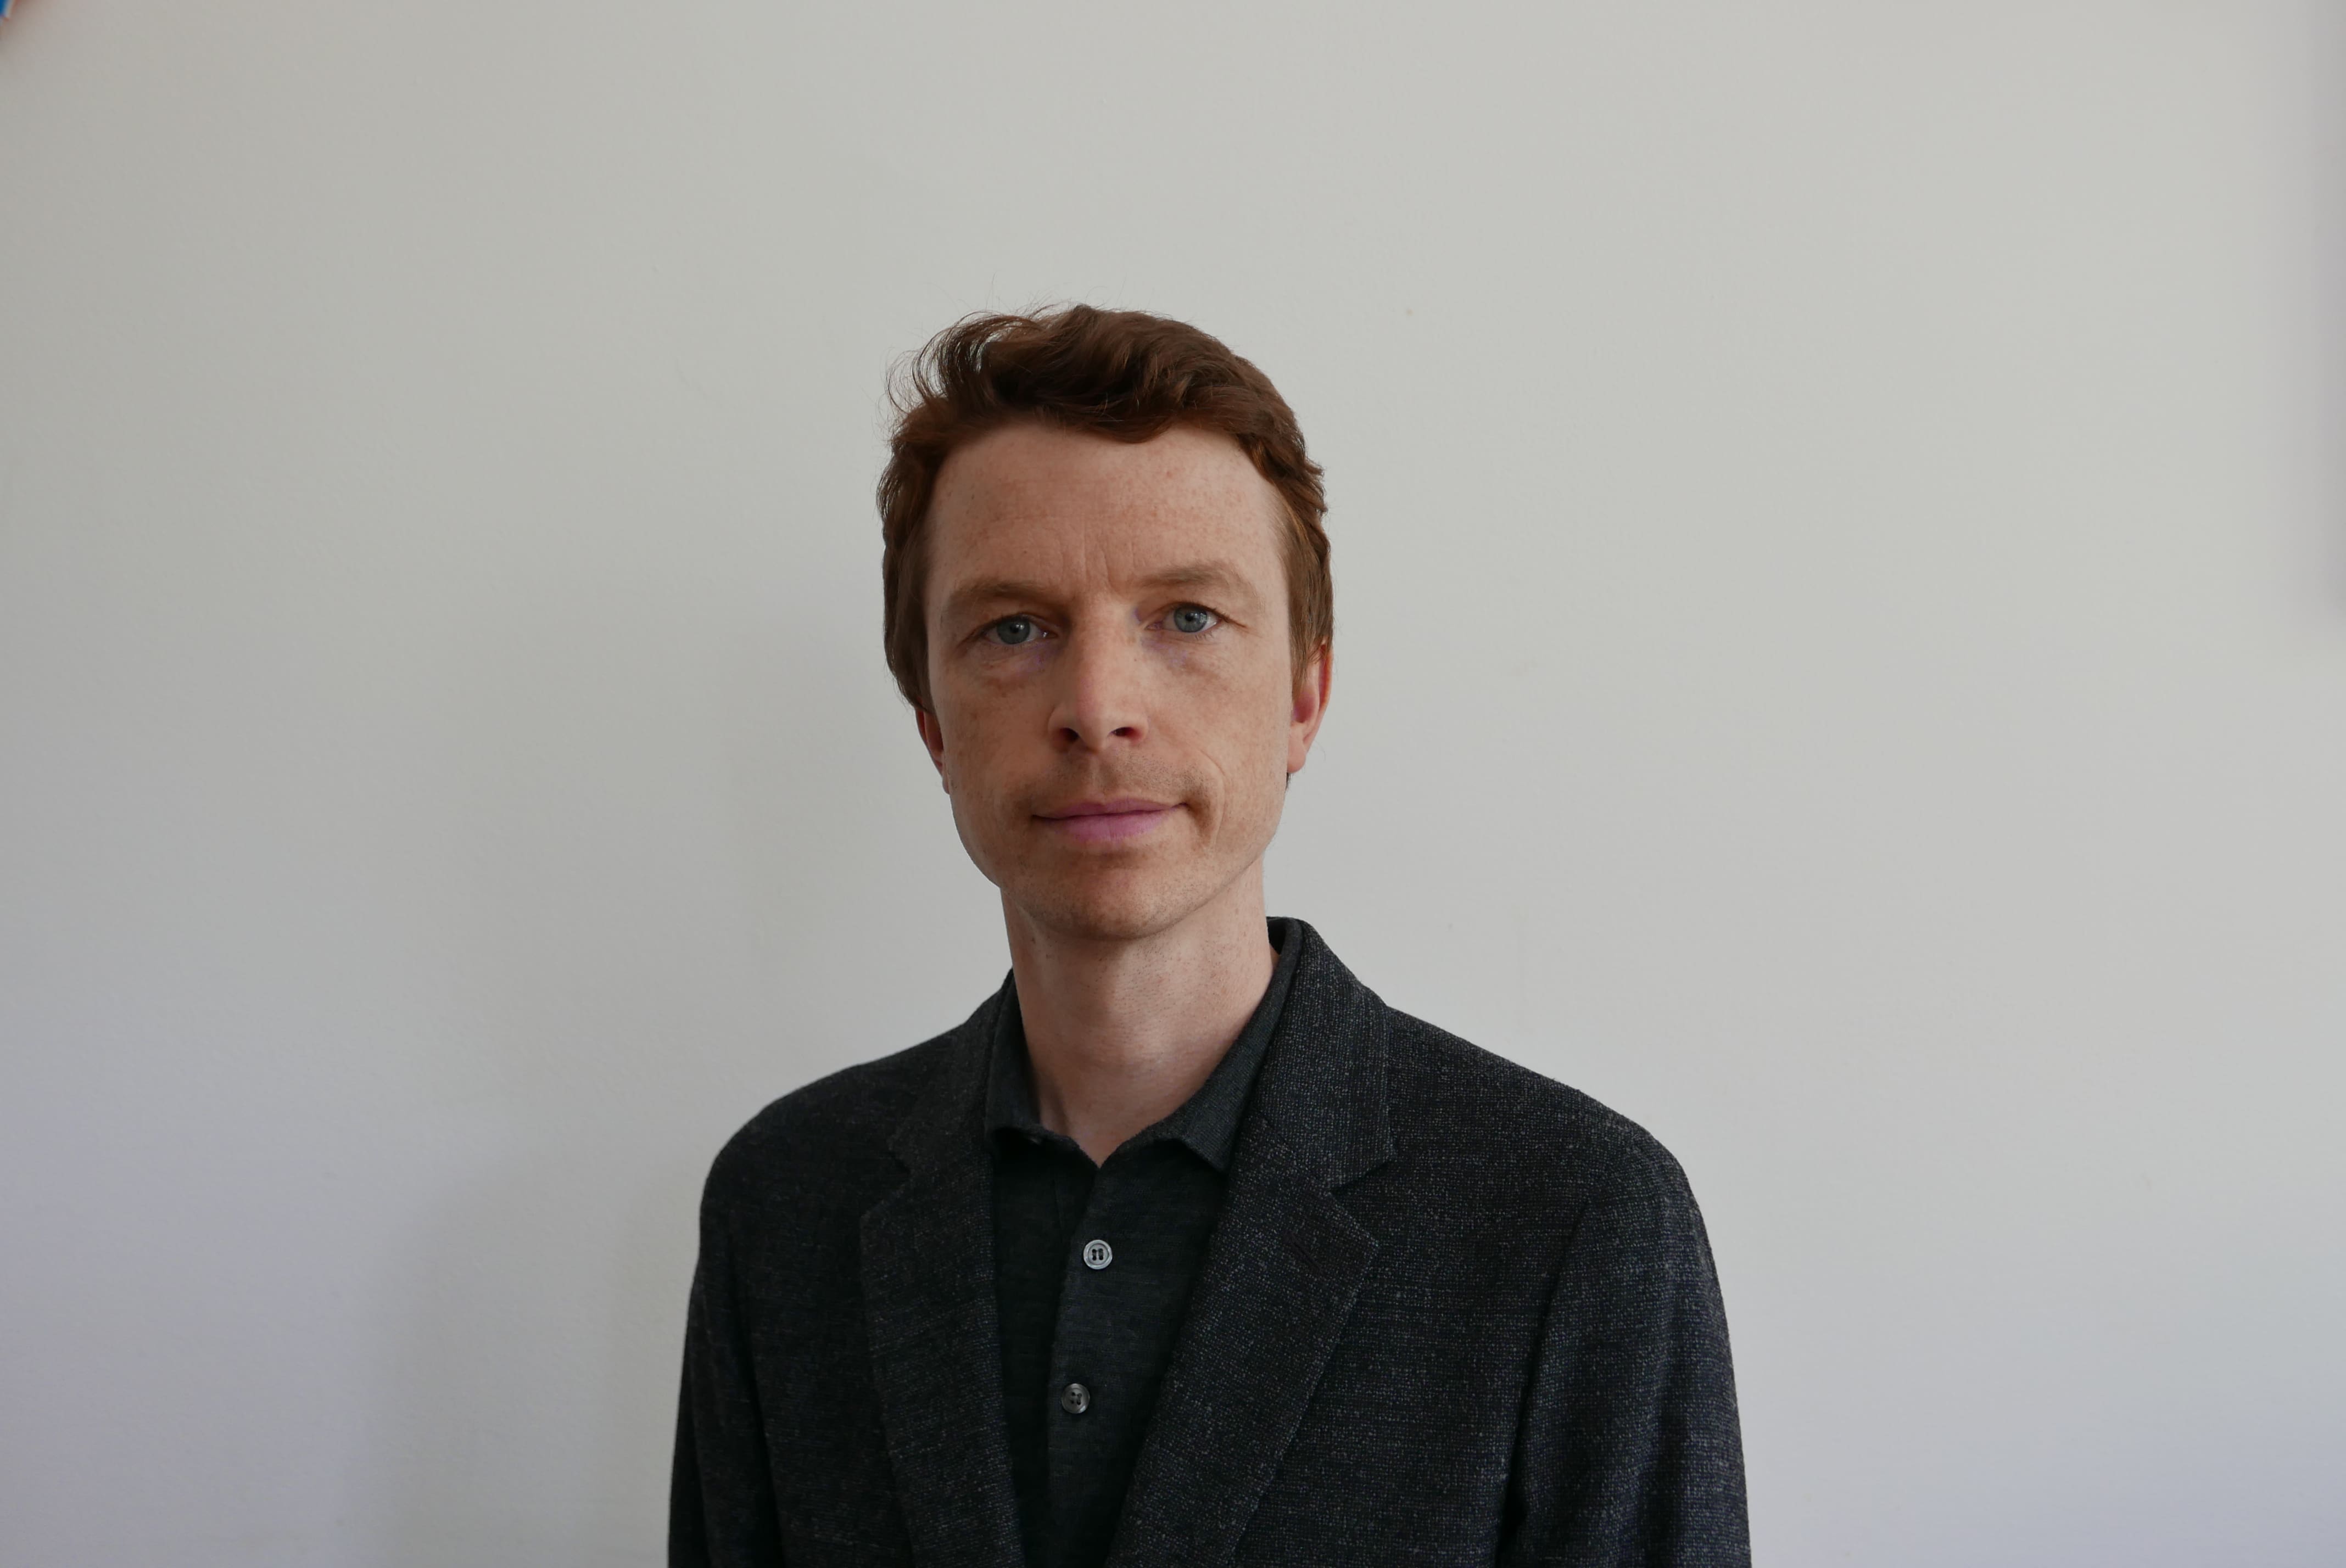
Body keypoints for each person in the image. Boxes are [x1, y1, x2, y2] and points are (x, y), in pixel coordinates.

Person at [669, 306, 1748, 1567]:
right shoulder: (786, 1203)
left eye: (1185, 617)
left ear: (1304, 698)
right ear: (932, 726)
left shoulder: (1576, 1219)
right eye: (1014, 628)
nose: (1098, 708)